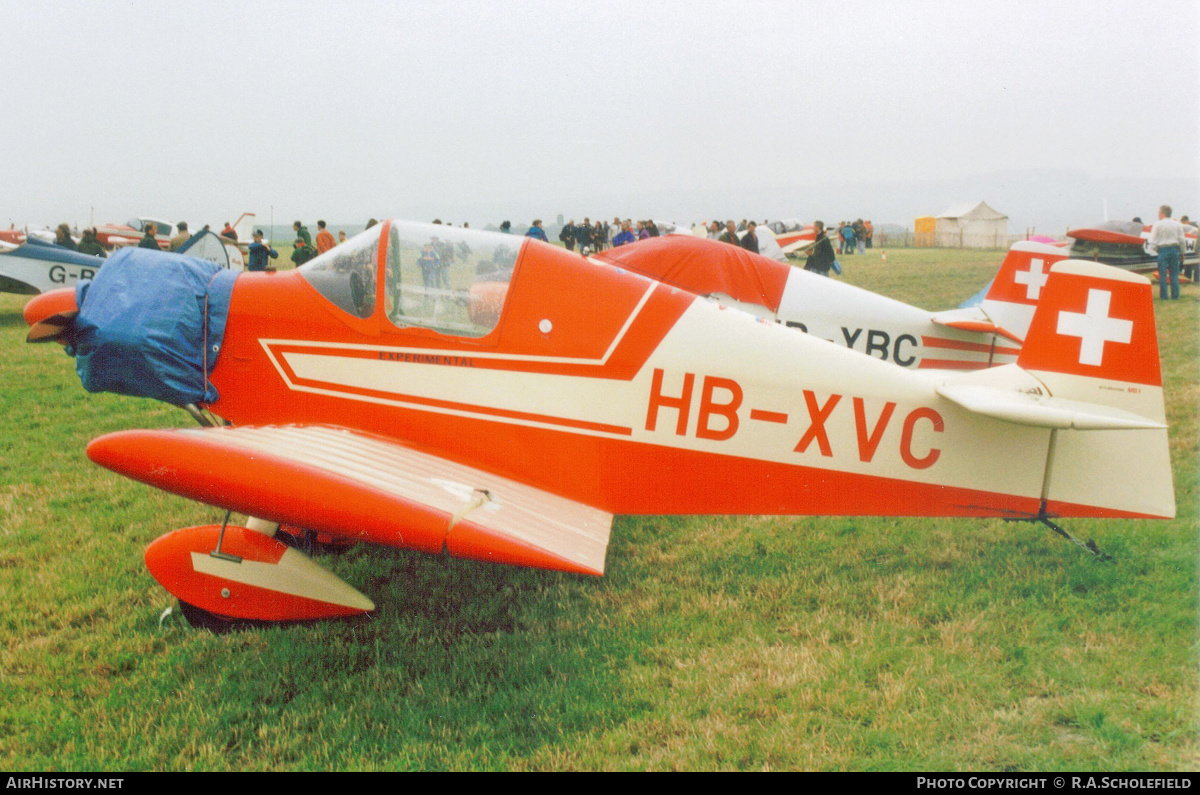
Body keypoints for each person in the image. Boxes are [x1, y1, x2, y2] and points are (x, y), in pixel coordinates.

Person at [1147, 204, 1187, 300]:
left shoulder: (1157, 224)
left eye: (1159, 213)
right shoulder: (1177, 224)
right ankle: (1175, 296)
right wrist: (1182, 253)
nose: (1158, 215)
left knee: (1162, 275)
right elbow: (1182, 240)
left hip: (1162, 251)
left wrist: (1157, 250)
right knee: (1174, 274)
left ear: (1163, 213)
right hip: (1174, 250)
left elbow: (1152, 241)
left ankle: (1164, 296)